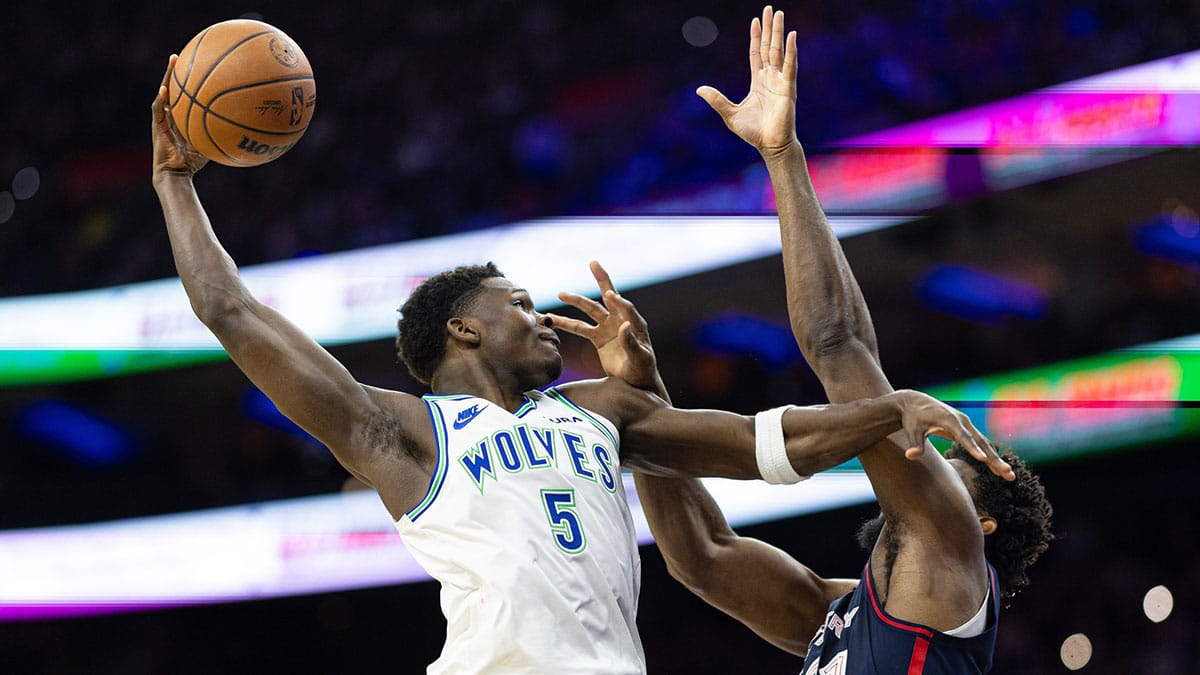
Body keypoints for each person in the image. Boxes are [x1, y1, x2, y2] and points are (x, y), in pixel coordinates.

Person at [150, 43, 1009, 673]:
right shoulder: (403, 432)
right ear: (465, 330)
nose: (547, 319)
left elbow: (763, 445)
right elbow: (230, 310)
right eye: (520, 304)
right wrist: (177, 185)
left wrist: (881, 410)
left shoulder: (602, 412)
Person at [625, 7, 1054, 673]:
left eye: (947, 466)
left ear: (980, 524)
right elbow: (704, 556)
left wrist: (782, 156)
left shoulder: (950, 547)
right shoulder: (850, 612)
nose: (923, 451)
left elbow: (837, 341)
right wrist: (637, 403)